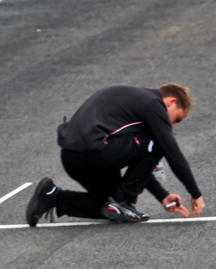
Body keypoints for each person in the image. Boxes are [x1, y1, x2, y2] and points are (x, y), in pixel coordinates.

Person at [25, 83, 205, 225]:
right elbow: (171, 152)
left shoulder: (136, 103)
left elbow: (140, 162)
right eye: (177, 119)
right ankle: (122, 201)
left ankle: (54, 197)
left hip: (73, 156)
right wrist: (195, 194)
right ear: (171, 102)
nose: (172, 125)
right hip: (93, 154)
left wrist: (162, 195)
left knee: (110, 209)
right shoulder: (153, 103)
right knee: (160, 141)